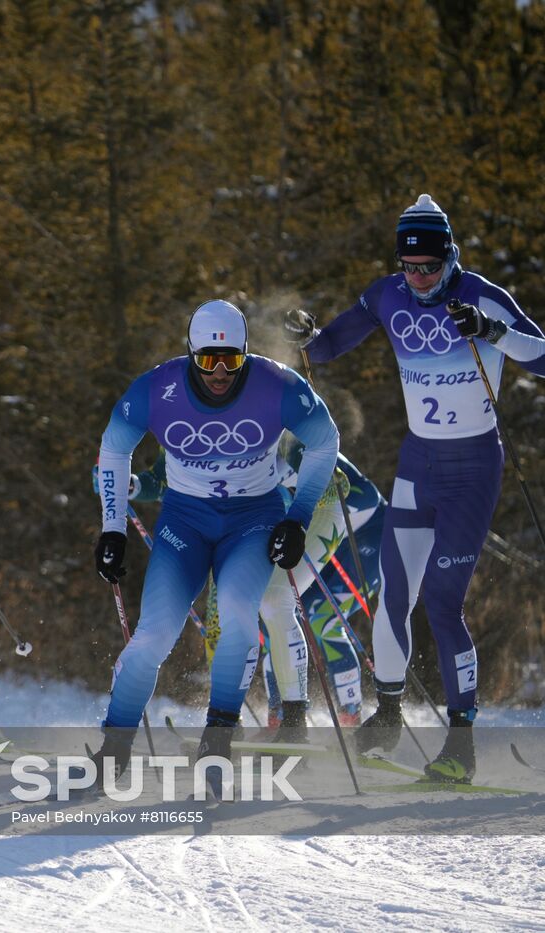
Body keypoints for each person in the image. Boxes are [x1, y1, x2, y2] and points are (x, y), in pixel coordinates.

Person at [285, 193, 545, 782]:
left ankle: (462, 742)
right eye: (411, 267)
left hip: (472, 470)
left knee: (443, 602)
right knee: (394, 596)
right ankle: (390, 711)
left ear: (450, 255)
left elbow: (544, 357)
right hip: (417, 464)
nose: (421, 277)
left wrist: (494, 332)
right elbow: (328, 346)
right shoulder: (387, 295)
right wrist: (305, 334)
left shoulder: (481, 295)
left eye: (431, 266)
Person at [92, 300, 339, 780]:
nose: (220, 372)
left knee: (239, 617)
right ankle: (115, 745)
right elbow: (113, 449)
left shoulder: (277, 384)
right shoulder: (157, 387)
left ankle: (218, 735)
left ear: (246, 354)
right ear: (191, 354)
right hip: (184, 522)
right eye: (208, 360)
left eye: (232, 360)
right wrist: (112, 530)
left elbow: (325, 441)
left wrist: (298, 519)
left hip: (253, 518)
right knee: (154, 635)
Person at [121, 445, 384, 739]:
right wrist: (131, 484)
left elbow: (351, 491)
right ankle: (235, 721)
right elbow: (166, 481)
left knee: (303, 610)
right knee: (224, 614)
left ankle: (335, 719)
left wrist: (305, 485)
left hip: (345, 520)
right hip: (250, 515)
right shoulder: (182, 420)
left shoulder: (271, 420)